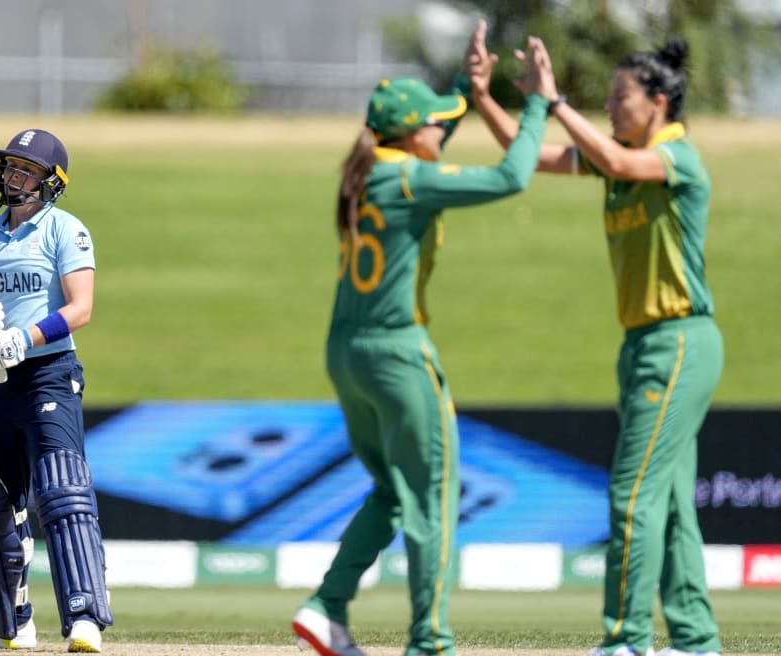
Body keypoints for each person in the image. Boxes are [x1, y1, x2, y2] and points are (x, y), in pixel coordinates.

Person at [289, 31, 558, 656]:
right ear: (411, 134)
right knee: (434, 496)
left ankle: (327, 605)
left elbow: (431, 135)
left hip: (346, 352)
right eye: (434, 125)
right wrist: (540, 102)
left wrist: (467, 88)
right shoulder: (412, 180)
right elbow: (514, 176)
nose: (441, 132)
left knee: (392, 490)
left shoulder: (367, 172)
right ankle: (430, 642)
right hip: (397, 355)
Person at [465, 21, 724, 656]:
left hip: (680, 339)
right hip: (641, 346)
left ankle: (625, 639)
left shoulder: (675, 158)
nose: (607, 108)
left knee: (631, 494)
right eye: (604, 99)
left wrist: (555, 103)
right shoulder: (616, 160)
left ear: (656, 104)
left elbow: (614, 159)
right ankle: (695, 641)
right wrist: (490, 100)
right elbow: (527, 155)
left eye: (618, 98)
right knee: (668, 504)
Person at [0, 128, 113, 653]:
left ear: (50, 183)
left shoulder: (66, 230)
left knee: (63, 494)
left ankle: (85, 617)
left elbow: (80, 308)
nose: (12, 176)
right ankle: (6, 623)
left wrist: (24, 337)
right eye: (9, 166)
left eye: (25, 169)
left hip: (48, 375)